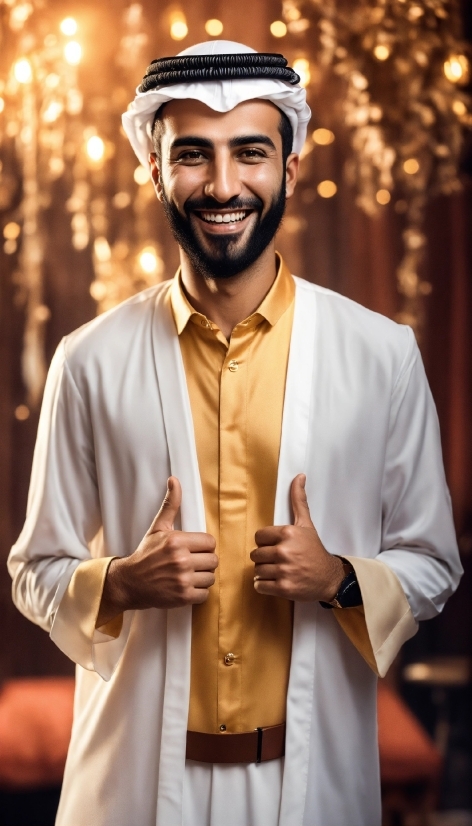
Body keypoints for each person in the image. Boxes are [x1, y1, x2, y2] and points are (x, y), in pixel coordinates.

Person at [8, 40, 462, 826]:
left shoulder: (383, 356)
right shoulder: (87, 361)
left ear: (287, 170)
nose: (223, 186)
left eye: (250, 153)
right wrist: (118, 583)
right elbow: (34, 570)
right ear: (154, 171)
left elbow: (432, 562)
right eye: (192, 156)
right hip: (132, 792)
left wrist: (341, 579)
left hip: (313, 786)